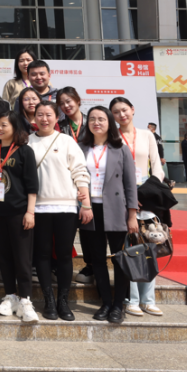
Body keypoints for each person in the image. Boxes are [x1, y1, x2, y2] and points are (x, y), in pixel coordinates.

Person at [28, 100, 91, 321]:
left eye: (49, 115)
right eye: (40, 114)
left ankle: (63, 301)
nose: (44, 119)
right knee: (42, 255)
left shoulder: (66, 141)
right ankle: (49, 301)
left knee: (64, 255)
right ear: (34, 118)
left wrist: (86, 204)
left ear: (56, 118)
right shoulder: (27, 142)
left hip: (66, 207)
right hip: (38, 208)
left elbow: (80, 171)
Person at [78, 106, 140, 324]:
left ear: (109, 123)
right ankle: (105, 302)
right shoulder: (81, 147)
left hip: (115, 209)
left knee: (119, 258)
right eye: (92, 119)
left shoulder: (120, 148)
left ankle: (118, 305)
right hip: (89, 210)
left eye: (101, 119)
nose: (96, 123)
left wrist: (132, 215)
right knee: (97, 259)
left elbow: (130, 184)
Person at [0, 111, 40, 322]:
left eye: (4, 124)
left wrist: (30, 212)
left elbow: (32, 185)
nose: (0, 128)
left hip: (19, 212)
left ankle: (25, 300)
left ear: (15, 127)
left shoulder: (25, 151)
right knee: (3, 256)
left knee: (22, 258)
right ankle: (10, 296)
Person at [110, 96, 166, 318]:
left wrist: (147, 192)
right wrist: (130, 196)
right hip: (122, 198)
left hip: (147, 198)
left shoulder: (147, 135)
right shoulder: (112, 137)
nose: (121, 115)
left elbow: (157, 167)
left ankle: (148, 300)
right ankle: (132, 299)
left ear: (132, 110)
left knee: (149, 247)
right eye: (116, 112)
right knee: (129, 249)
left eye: (124, 110)